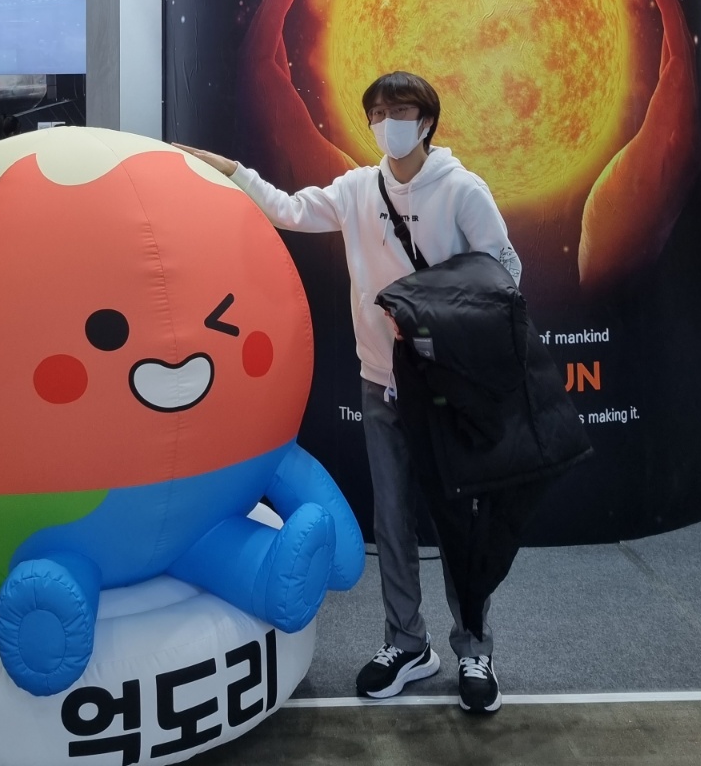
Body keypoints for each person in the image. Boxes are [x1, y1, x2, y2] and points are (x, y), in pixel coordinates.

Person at [177, 71, 523, 715]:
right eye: (379, 112)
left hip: (447, 387)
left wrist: (442, 313)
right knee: (391, 521)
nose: (390, 122)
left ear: (427, 121)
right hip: (380, 382)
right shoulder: (358, 189)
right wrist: (231, 171)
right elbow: (289, 210)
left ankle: (475, 647)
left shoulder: (462, 190)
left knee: (459, 524)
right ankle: (407, 644)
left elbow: (506, 271)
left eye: (403, 110)